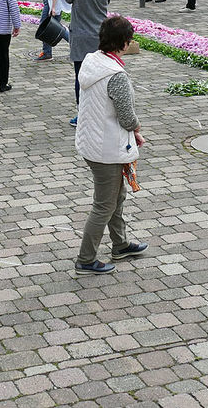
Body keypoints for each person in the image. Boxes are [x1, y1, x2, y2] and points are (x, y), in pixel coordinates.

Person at [74, 15, 148, 275]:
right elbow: (127, 117)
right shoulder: (116, 75)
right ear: (124, 43)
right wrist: (137, 129)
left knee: (116, 196)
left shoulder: (92, 61)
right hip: (106, 148)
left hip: (92, 142)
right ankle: (85, 259)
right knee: (104, 204)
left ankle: (120, 244)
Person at [63, 0, 112, 126]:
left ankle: (82, 114)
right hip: (101, 36)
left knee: (80, 77)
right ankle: (100, 113)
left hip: (80, 36)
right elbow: (107, 0)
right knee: (100, 77)